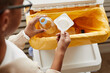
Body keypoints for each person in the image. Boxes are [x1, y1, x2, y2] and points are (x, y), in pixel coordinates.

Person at [0, 0, 71, 73]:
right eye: (21, 6)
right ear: (5, 20)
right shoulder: (24, 68)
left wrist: (25, 34)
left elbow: (9, 45)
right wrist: (60, 52)